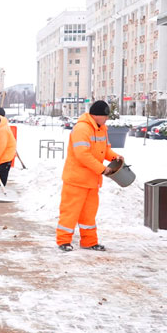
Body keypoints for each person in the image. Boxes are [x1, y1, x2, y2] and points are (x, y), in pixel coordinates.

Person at [56, 100, 123, 252]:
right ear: (96, 115)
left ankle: (89, 241)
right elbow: (82, 155)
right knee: (70, 212)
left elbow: (105, 150)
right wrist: (102, 169)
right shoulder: (82, 129)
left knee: (89, 215)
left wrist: (115, 157)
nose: (106, 119)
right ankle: (63, 241)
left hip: (92, 181)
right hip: (76, 180)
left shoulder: (101, 129)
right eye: (105, 116)